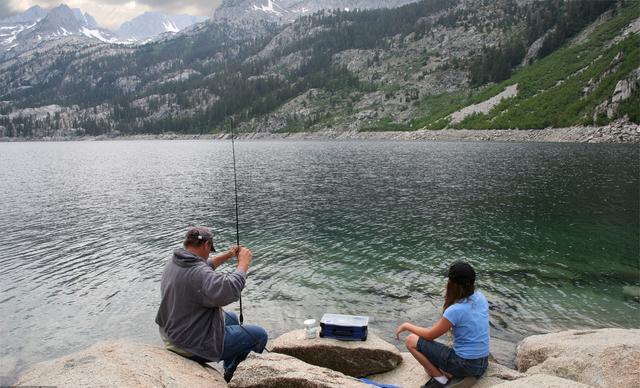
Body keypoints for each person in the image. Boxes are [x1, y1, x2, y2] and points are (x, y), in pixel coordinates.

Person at [155, 226, 268, 382]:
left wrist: (228, 255)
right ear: (206, 244)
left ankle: (228, 366)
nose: (209, 253)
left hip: (172, 333)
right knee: (259, 335)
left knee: (232, 317)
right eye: (210, 249)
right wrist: (243, 264)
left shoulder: (176, 261)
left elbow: (205, 265)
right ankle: (232, 374)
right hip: (190, 344)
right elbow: (229, 290)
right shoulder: (198, 273)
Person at [395, 261, 489, 388]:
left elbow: (429, 335)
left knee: (411, 340)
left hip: (465, 365)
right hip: (482, 363)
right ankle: (453, 374)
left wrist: (407, 326)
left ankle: (441, 380)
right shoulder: (480, 297)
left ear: (453, 284)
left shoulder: (456, 310)